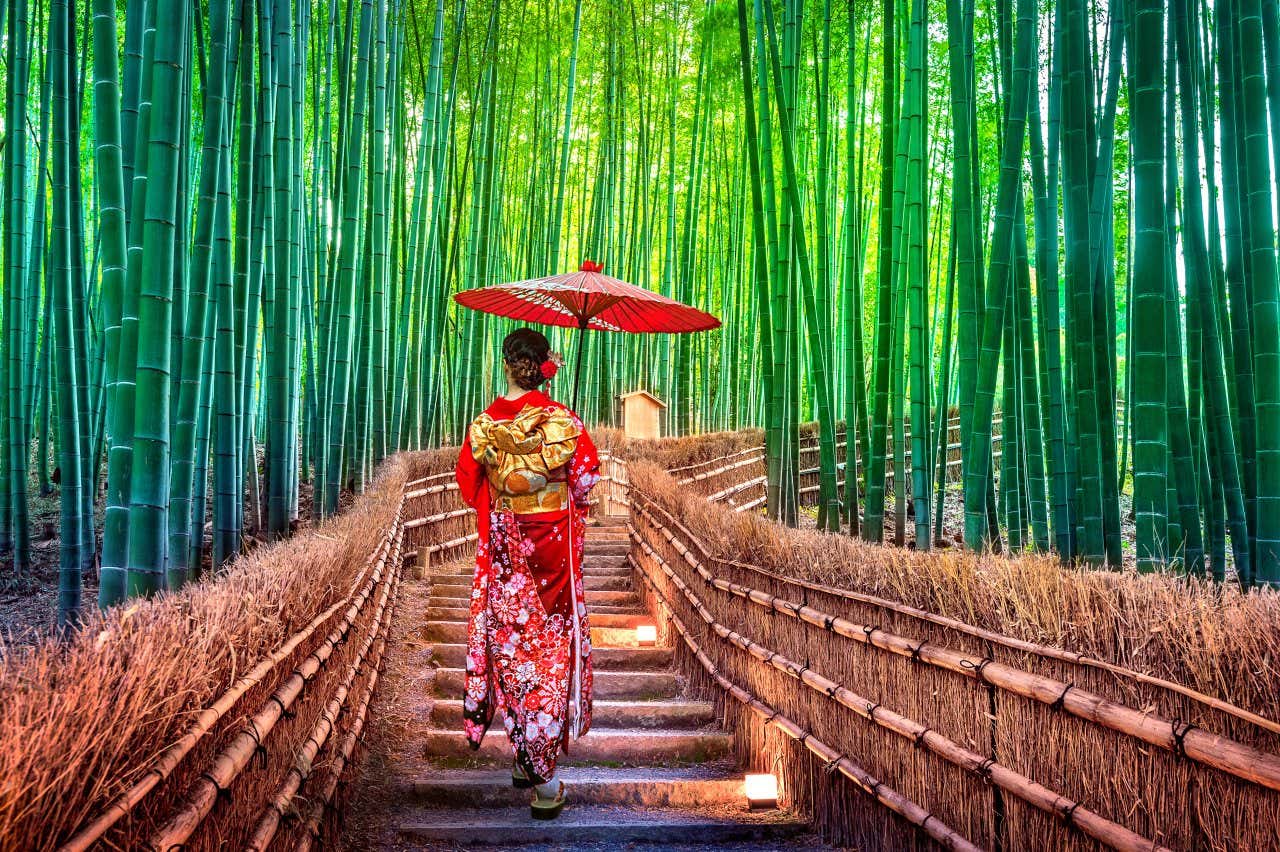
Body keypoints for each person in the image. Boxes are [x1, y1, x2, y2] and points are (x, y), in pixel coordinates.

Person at [454, 328, 600, 821]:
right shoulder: (563, 420)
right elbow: (584, 481)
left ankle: (523, 755)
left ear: (506, 364)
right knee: (548, 650)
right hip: (550, 549)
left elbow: (467, 483)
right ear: (544, 366)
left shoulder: (484, 422)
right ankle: (545, 779)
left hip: (504, 550)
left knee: (511, 645)